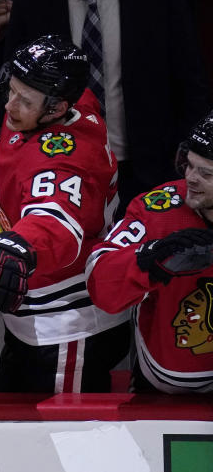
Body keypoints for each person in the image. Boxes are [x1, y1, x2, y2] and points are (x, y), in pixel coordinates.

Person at [0, 34, 129, 392]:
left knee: (66, 443)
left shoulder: (68, 159)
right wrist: (3, 148)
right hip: (32, 315)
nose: (9, 107)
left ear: (56, 110)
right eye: (11, 91)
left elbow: (55, 219)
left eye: (24, 100)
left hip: (68, 323)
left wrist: (17, 247)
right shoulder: (64, 95)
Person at [4, 0, 210, 215]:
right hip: (55, 167)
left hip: (147, 170)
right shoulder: (32, 4)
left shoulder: (161, 4)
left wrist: (184, 162)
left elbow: (190, 82)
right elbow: (11, 80)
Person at [86, 113, 213, 393]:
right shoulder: (158, 208)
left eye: (205, 173)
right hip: (159, 383)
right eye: (188, 164)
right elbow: (99, 278)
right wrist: (149, 261)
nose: (190, 178)